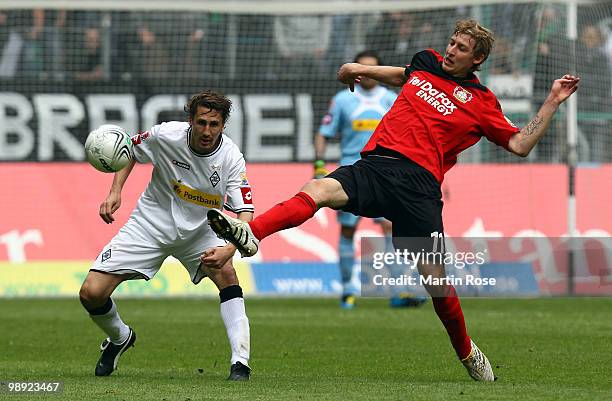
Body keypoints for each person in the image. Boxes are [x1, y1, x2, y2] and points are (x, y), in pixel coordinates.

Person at [207, 19, 579, 381]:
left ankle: (466, 351)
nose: (451, 51)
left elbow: (519, 144)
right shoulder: (427, 62)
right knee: (318, 188)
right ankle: (250, 233)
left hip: (419, 188)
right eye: (452, 43)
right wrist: (359, 69)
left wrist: (552, 100)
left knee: (436, 282)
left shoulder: (481, 103)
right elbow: (403, 76)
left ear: (477, 59)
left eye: (461, 49)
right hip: (376, 165)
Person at [79, 91, 254, 381]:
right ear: (190, 121)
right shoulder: (166, 135)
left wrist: (231, 249)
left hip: (201, 230)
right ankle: (120, 337)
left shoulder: (232, 158)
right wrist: (115, 191)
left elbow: (245, 213)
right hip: (150, 223)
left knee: (228, 276)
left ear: (223, 126)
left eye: (214, 124)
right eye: (201, 123)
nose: (206, 131)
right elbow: (130, 150)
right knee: (91, 293)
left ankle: (240, 363)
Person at [314, 49, 426, 309]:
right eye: (360, 68)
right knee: (349, 230)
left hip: (386, 173)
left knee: (390, 228)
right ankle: (347, 291)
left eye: (370, 68)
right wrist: (319, 164)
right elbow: (323, 133)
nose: (365, 73)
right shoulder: (342, 100)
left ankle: (399, 290)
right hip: (350, 173)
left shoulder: (391, 98)